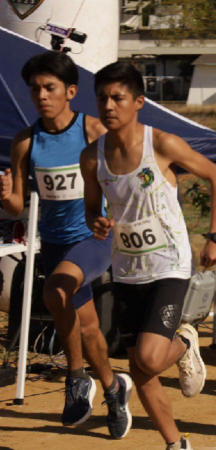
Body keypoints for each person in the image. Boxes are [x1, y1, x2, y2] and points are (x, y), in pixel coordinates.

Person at [81, 62, 216, 450]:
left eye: (118, 98)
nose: (109, 106)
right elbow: (91, 209)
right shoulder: (92, 157)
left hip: (169, 264)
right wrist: (96, 223)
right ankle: (175, 444)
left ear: (138, 102)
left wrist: (215, 236)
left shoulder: (161, 144)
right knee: (140, 371)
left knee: (148, 356)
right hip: (127, 268)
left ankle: (185, 341)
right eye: (102, 98)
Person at [0, 51, 130, 437]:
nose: (41, 95)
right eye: (35, 89)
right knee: (88, 327)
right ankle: (112, 387)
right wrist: (5, 194)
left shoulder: (91, 131)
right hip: (55, 245)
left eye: (49, 88)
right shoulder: (26, 142)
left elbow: (122, 177)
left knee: (55, 290)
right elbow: (18, 205)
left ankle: (76, 377)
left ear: (70, 91)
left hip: (94, 238)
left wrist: (116, 215)